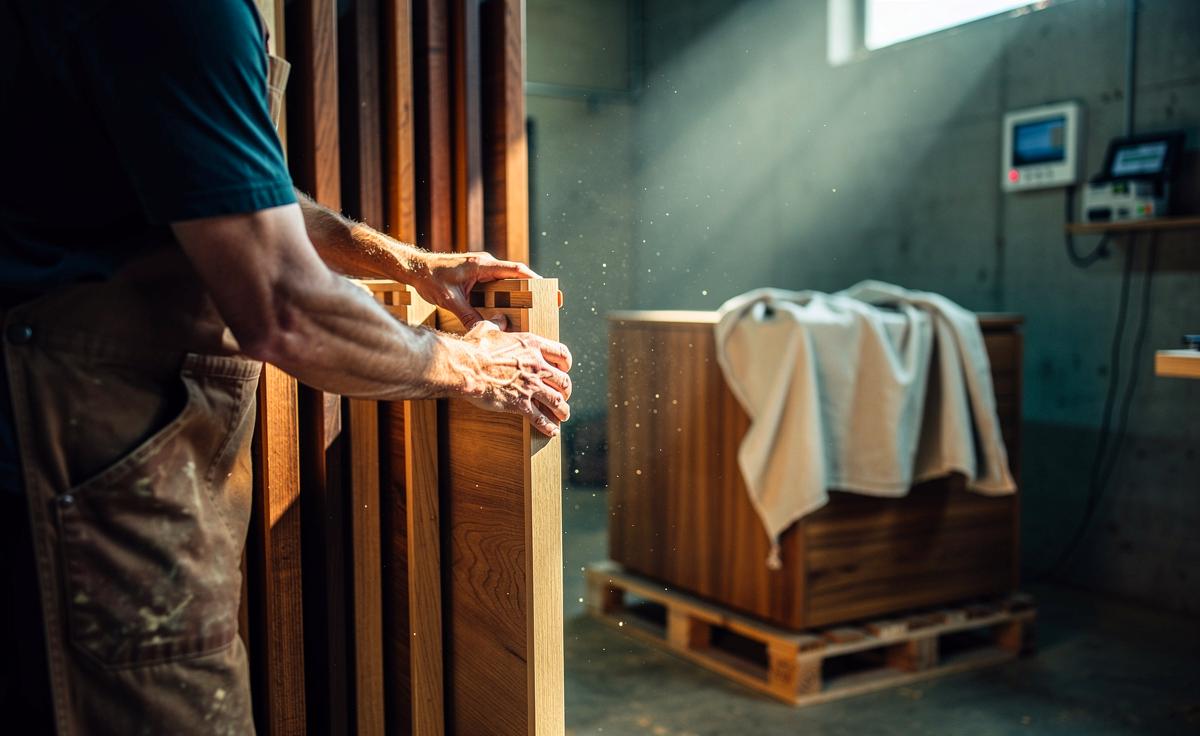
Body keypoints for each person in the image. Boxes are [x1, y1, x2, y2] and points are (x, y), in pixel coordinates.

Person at [0, 1, 572, 733]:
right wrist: (477, 365)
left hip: (97, 460)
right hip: (77, 475)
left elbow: (224, 180)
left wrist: (411, 266)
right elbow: (286, 308)